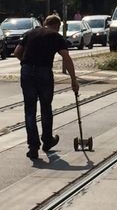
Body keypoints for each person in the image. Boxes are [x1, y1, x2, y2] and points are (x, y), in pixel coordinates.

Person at [13, 14, 78, 160]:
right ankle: (47, 140)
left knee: (30, 110)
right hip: (44, 72)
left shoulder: (30, 33)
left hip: (27, 71)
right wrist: (74, 80)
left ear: (44, 23)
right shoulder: (56, 36)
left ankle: (33, 147)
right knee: (46, 107)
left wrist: (26, 63)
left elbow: (17, 52)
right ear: (58, 26)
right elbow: (66, 57)